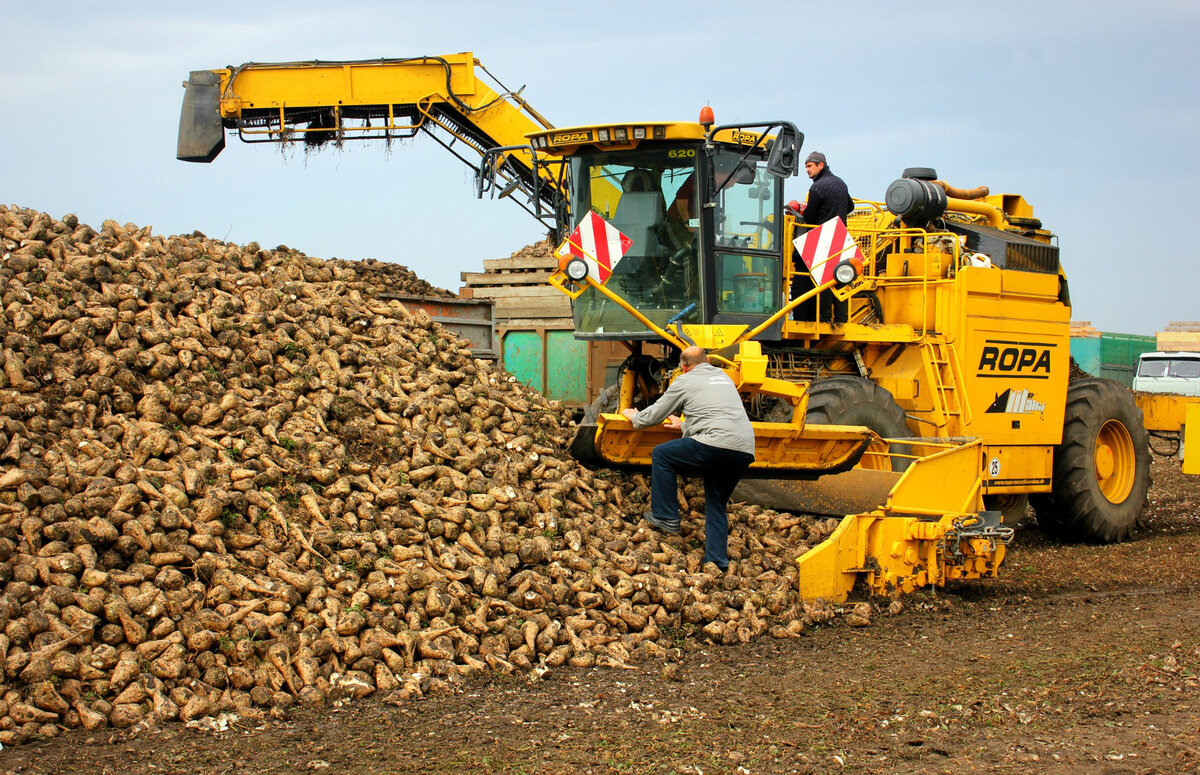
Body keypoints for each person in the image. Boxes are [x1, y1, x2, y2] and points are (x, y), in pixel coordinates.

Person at [621, 346, 756, 571]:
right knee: (716, 504)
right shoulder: (723, 377)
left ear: (683, 367)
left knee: (662, 455)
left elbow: (654, 415)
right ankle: (717, 563)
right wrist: (684, 425)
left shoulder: (684, 381)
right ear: (709, 361)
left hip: (714, 443)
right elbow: (716, 413)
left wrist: (635, 416)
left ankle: (665, 516)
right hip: (743, 449)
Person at [793, 151, 854, 324]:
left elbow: (810, 217)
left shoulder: (817, 188)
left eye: (810, 166)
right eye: (806, 167)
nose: (807, 170)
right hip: (841, 236)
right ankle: (842, 320)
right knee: (842, 279)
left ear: (821, 165)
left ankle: (825, 320)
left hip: (824, 237)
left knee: (825, 280)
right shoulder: (841, 183)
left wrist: (805, 211)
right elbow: (850, 206)